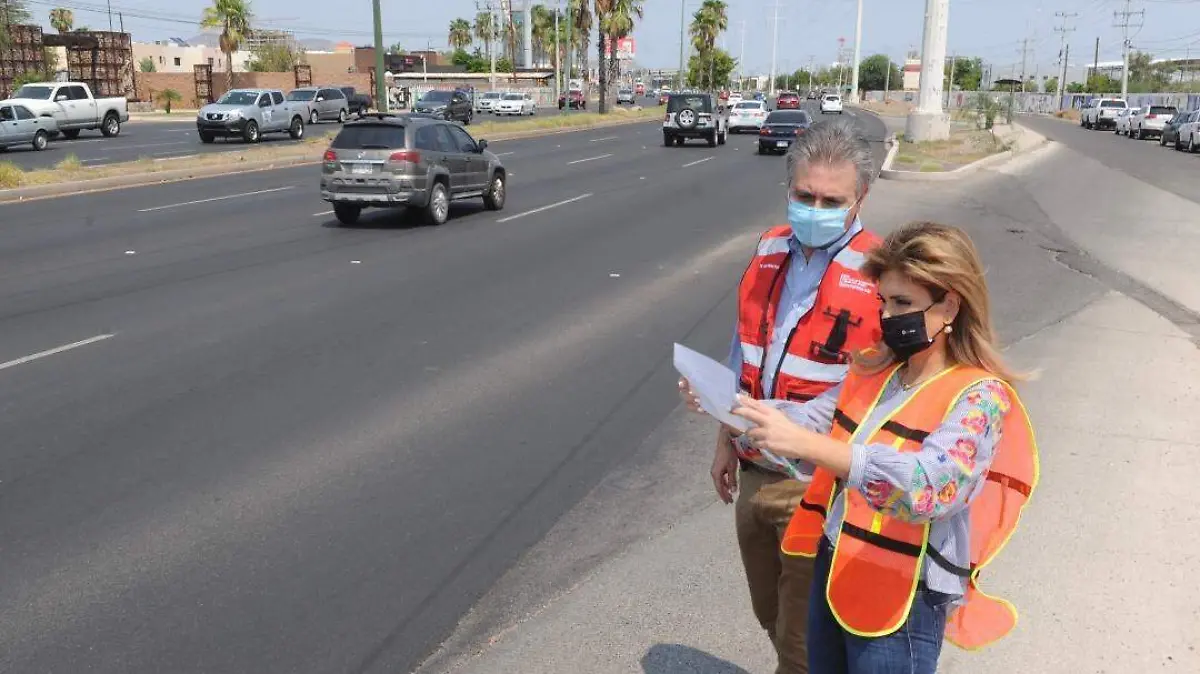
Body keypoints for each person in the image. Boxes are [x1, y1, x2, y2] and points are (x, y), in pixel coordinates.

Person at [731, 222, 1039, 674]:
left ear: (950, 304)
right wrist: (734, 407)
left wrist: (820, 449)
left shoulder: (978, 396)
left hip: (906, 595)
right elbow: (813, 418)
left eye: (903, 303)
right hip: (836, 563)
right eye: (884, 302)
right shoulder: (878, 371)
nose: (889, 316)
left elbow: (932, 487)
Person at [679, 119, 884, 674]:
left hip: (815, 483)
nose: (814, 207)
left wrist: (769, 421)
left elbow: (865, 389)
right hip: (753, 471)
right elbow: (744, 351)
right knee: (767, 612)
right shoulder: (769, 247)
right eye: (804, 195)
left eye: (830, 199)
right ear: (788, 187)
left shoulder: (883, 274)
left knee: (801, 638)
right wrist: (725, 435)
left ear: (860, 196)